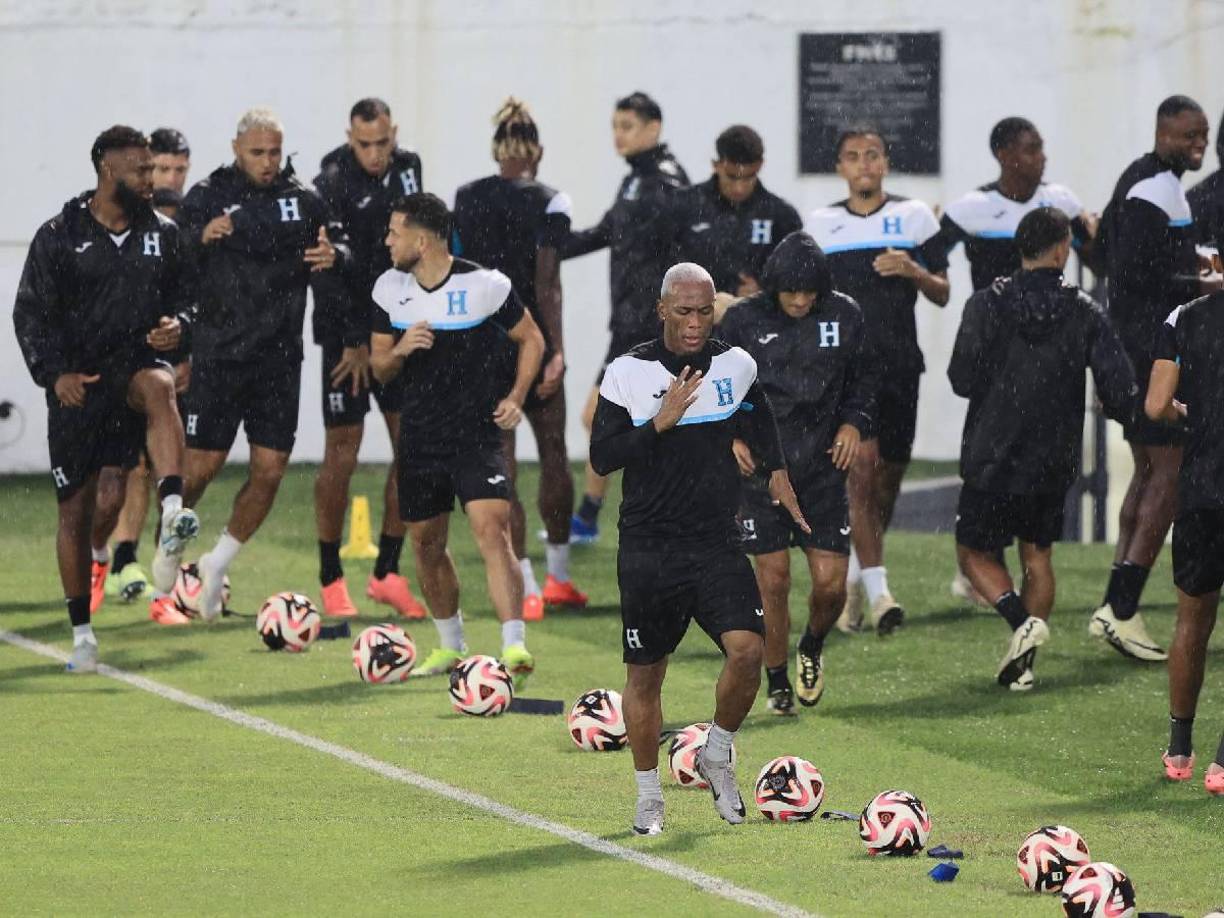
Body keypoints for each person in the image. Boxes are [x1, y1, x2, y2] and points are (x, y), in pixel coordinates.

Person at [590, 262, 806, 835]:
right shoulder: (628, 373)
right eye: (682, 311)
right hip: (648, 549)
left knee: (747, 651)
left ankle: (717, 752)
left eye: (703, 311)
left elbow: (760, 417)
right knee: (645, 679)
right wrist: (658, 423)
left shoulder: (734, 365)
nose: (693, 323)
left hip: (715, 544)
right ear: (661, 309)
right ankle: (647, 796)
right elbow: (602, 457)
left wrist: (777, 471)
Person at [13, 125, 199, 671]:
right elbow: (29, 315)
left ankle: (171, 510)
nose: (151, 178)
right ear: (106, 169)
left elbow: (190, 302)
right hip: (79, 385)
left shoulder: (162, 233)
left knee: (160, 386)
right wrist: (54, 376)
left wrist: (178, 328)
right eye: (140, 169)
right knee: (85, 508)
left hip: (133, 369)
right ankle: (82, 634)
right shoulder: (58, 234)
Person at [948, 207, 1137, 691]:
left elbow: (961, 379)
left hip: (992, 448)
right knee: (1038, 554)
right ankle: (1025, 668)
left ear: (1020, 247)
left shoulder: (985, 304)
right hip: (1053, 453)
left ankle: (1019, 623)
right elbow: (1119, 388)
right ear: (1062, 248)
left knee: (973, 551)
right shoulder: (1084, 311)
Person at [180, 108, 350, 621]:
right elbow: (171, 257)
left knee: (270, 470)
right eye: (258, 152)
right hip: (219, 354)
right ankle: (170, 534)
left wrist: (335, 255)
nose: (268, 162)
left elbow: (341, 242)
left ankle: (216, 561)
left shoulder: (302, 200)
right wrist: (199, 238)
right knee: (200, 468)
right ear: (237, 149)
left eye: (275, 152)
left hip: (278, 358)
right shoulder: (207, 195)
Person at [370, 193, 544, 687]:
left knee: (493, 528)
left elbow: (531, 338)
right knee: (426, 543)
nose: (388, 241)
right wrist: (401, 349)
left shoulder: (484, 286)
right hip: (420, 437)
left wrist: (516, 396)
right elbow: (378, 367)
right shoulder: (389, 289)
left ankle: (514, 644)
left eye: (394, 232)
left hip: (476, 433)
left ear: (421, 240)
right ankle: (451, 645)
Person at [939, 117, 1098, 608]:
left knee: (999, 488)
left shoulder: (1062, 204)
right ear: (1005, 154)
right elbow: (929, 257)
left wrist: (1094, 232)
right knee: (1028, 524)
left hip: (1044, 358)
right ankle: (1004, 587)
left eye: (1041, 147)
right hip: (997, 357)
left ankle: (994, 585)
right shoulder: (972, 209)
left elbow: (1101, 260)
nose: (1041, 157)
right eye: (1031, 149)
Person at [720, 232, 877, 715]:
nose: (801, 300)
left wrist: (854, 423)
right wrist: (731, 436)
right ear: (773, 288)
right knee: (774, 580)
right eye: (791, 292)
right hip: (762, 472)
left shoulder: (846, 315)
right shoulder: (742, 321)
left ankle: (811, 645)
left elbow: (865, 381)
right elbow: (718, 385)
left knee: (830, 586)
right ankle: (777, 678)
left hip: (822, 470)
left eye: (810, 293)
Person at [1090, 94, 1221, 661]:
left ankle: (1116, 604)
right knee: (1167, 475)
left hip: (1134, 345)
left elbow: (1102, 253)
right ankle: (1120, 609)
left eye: (1203, 136)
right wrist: (1200, 283)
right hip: (1149, 349)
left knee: (1147, 472)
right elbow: (1131, 272)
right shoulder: (1153, 188)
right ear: (1162, 132)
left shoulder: (1145, 180)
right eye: (1188, 136)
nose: (1197, 146)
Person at [805, 127, 949, 634]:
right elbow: (806, 297)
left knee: (886, 479)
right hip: (846, 372)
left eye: (872, 156)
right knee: (859, 474)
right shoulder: (820, 225)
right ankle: (872, 590)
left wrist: (913, 270)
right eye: (852, 157)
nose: (863, 164)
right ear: (840, 167)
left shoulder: (911, 218)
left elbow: (943, 292)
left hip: (901, 366)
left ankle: (860, 574)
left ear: (885, 162)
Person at [453, 97, 587, 621]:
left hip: (487, 343)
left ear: (496, 150)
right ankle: (557, 577)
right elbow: (547, 281)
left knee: (501, 460)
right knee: (552, 450)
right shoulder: (551, 201)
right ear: (539, 151)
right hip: (533, 337)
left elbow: (463, 270)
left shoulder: (466, 198)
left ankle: (525, 581)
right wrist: (555, 351)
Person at [311, 97, 427, 619]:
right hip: (348, 337)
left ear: (394, 133)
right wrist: (355, 341)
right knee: (344, 450)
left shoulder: (411, 168)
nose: (376, 153)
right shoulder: (330, 180)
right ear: (349, 138)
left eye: (383, 142)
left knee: (412, 450)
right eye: (365, 144)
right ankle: (331, 576)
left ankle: (387, 572)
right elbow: (329, 269)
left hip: (398, 327)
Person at [563, 91, 689, 544]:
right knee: (609, 419)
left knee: (612, 418)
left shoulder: (667, 183)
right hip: (629, 323)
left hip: (649, 325)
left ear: (653, 128)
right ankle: (591, 518)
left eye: (628, 126)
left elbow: (688, 249)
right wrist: (551, 244)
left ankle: (605, 518)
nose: (619, 135)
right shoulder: (635, 180)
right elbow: (606, 232)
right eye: (616, 126)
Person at [103, 126, 194, 612]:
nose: (169, 176)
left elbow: (193, 297)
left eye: (180, 169)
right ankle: (120, 558)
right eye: (161, 168)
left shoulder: (184, 220)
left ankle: (161, 566)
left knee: (171, 462)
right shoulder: (120, 219)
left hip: (177, 359)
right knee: (130, 465)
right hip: (129, 365)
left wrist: (188, 349)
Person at [1145, 288, 1224, 794]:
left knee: (1192, 621)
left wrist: (1190, 414)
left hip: (1202, 488)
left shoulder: (1185, 316)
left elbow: (1155, 405)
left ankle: (1179, 748)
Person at [665, 125, 802, 299]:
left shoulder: (782, 217)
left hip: (759, 323)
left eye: (748, 177)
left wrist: (764, 291)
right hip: (693, 318)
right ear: (716, 165)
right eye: (732, 176)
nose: (739, 188)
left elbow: (795, 278)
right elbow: (661, 268)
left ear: (760, 166)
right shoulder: (683, 207)